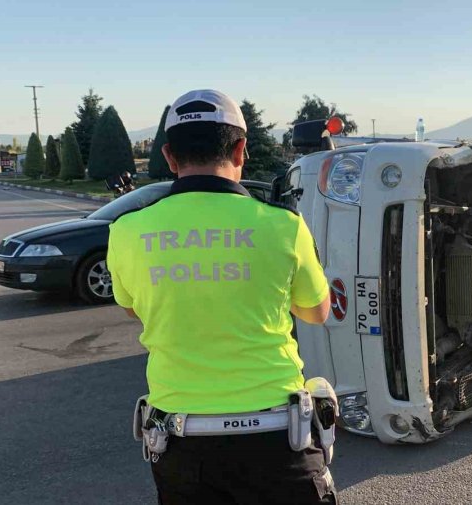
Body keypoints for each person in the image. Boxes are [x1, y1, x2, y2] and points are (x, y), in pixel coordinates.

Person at [107, 89, 335, 504]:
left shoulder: (126, 230)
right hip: (277, 440)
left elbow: (132, 307)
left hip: (180, 445)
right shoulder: (284, 226)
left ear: (170, 157)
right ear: (241, 150)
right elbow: (317, 312)